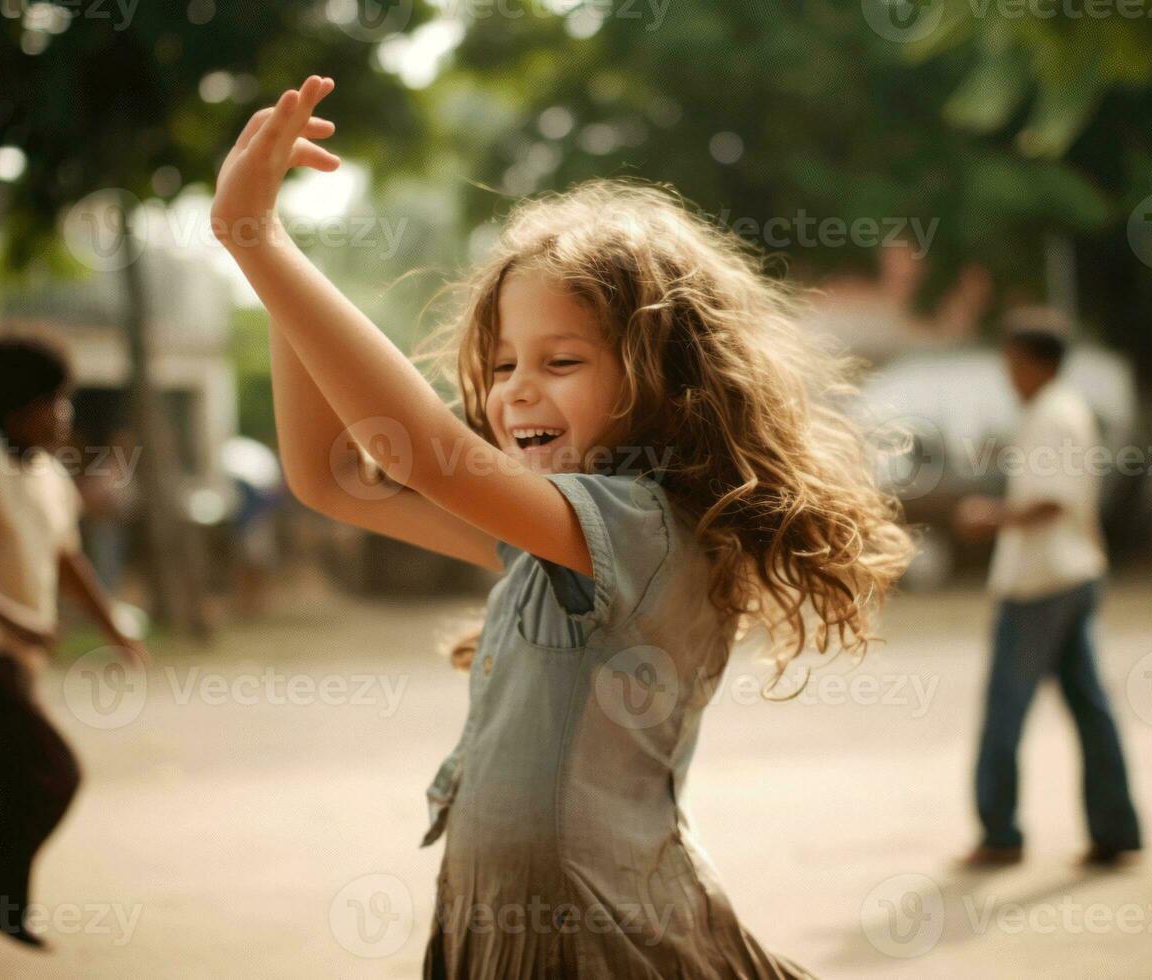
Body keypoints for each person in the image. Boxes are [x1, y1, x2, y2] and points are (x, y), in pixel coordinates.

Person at [211, 76, 912, 977]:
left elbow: (423, 456)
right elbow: (332, 477)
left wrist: (257, 244)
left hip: (599, 933)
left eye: (561, 360)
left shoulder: (644, 526)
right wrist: (275, 267)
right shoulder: (552, 540)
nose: (514, 392)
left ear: (663, 375)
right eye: (502, 363)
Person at [0, 334, 148, 952]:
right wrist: (15, 619)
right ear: (20, 409)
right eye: (57, 401)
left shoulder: (48, 477)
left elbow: (67, 558)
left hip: (15, 663)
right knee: (50, 773)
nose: (67, 414)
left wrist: (112, 626)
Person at [955, 307, 1143, 867]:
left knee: (1004, 711)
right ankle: (1116, 829)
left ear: (1037, 363)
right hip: (1073, 572)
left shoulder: (1053, 416)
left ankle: (1000, 832)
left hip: (1043, 581)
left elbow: (1050, 499)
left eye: (1013, 363)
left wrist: (989, 517)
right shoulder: (1063, 411)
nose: (1008, 375)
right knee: (1090, 706)